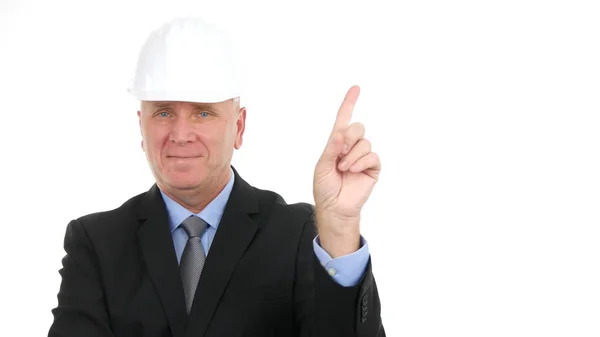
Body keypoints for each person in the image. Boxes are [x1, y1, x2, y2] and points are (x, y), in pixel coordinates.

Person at [48, 17, 385, 337]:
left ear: (238, 127)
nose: (180, 134)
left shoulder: (299, 233)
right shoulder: (96, 244)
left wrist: (340, 226)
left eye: (203, 112)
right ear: (142, 126)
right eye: (163, 112)